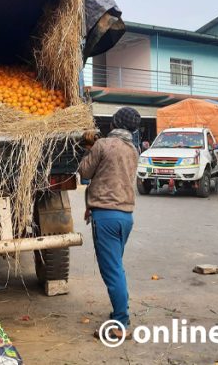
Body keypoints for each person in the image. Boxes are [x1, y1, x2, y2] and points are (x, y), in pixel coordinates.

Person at [78, 107, 141, 340]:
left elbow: (85, 171)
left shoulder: (103, 145)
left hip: (105, 216)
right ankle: (119, 312)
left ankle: (121, 324)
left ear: (114, 121)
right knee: (117, 266)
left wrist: (87, 150)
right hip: (125, 216)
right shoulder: (132, 149)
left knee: (112, 270)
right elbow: (110, 176)